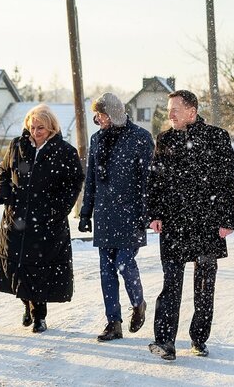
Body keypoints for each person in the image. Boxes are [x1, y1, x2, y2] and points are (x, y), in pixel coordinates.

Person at [147, 90, 234, 361]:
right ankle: (165, 341)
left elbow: (229, 181)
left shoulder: (217, 137)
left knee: (204, 285)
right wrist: (154, 213)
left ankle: (199, 338)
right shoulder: (165, 139)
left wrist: (227, 219)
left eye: (175, 109)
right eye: (169, 109)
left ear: (192, 111)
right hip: (174, 223)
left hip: (207, 223)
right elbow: (156, 181)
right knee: (171, 284)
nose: (170, 114)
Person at [0, 104, 84, 333]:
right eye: (32, 127)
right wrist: (4, 191)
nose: (35, 132)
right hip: (17, 217)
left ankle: (39, 315)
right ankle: (27, 304)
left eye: (41, 128)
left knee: (39, 268)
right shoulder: (17, 146)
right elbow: (4, 171)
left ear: (51, 128)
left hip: (46, 220)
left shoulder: (65, 151)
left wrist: (58, 209)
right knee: (18, 266)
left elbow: (74, 183)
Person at [78, 93, 154, 342]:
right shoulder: (97, 139)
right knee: (106, 270)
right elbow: (91, 180)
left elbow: (148, 180)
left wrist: (147, 213)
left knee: (124, 262)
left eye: (101, 115)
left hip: (131, 213)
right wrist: (85, 212)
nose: (98, 119)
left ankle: (138, 303)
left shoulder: (140, 138)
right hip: (104, 214)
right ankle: (114, 322)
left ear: (114, 114)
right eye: (96, 115)